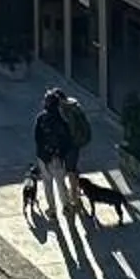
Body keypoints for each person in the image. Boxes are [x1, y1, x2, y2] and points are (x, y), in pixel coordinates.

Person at [28, 88, 90, 223]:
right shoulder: (61, 120)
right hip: (57, 157)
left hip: (44, 157)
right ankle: (66, 206)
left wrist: (42, 154)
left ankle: (52, 210)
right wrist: (60, 153)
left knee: (47, 185)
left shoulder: (41, 118)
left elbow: (37, 138)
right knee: (60, 183)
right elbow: (66, 139)